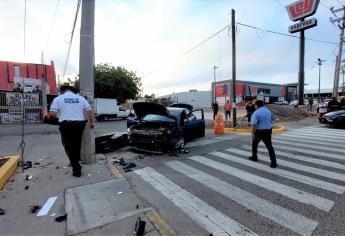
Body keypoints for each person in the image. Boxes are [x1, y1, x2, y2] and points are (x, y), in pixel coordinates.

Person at [45, 85, 95, 177]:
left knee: (68, 146)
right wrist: (91, 123)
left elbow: (52, 114)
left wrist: (48, 116)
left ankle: (76, 168)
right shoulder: (80, 98)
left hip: (66, 125)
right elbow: (89, 111)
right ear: (73, 91)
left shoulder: (58, 99)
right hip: (79, 125)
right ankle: (76, 161)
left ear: (63, 91)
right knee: (77, 145)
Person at [249, 100, 277, 168]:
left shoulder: (256, 113)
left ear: (256, 105)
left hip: (259, 131)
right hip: (268, 131)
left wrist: (253, 134)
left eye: (255, 105)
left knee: (254, 144)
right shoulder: (268, 111)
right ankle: (273, 162)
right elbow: (272, 120)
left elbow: (254, 125)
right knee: (269, 147)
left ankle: (254, 157)